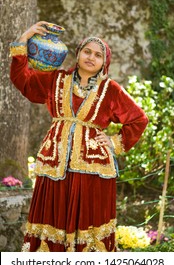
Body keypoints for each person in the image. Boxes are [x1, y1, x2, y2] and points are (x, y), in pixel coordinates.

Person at [10, 21, 148, 252]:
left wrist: (115, 142)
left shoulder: (111, 89)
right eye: (87, 51)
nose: (91, 57)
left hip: (92, 169)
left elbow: (139, 119)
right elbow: (22, 79)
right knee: (52, 219)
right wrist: (25, 38)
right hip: (55, 165)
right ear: (78, 54)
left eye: (98, 55)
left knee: (89, 222)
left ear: (105, 63)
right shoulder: (56, 79)